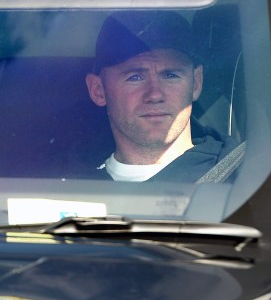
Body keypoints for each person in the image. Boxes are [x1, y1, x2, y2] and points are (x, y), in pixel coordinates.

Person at [83, 10, 239, 182]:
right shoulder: (63, 185)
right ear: (98, 90)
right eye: (135, 77)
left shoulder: (248, 180)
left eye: (171, 75)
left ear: (196, 83)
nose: (155, 94)